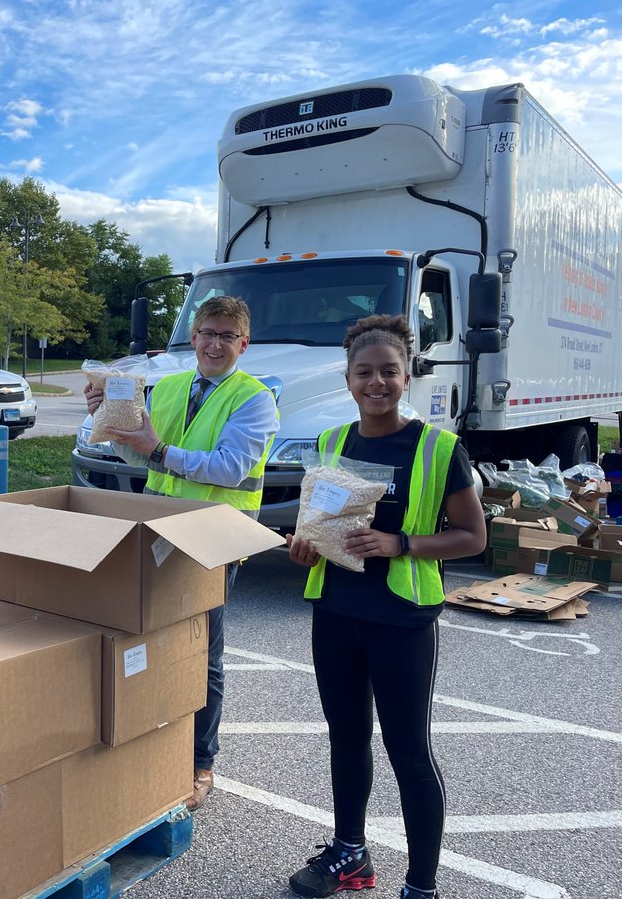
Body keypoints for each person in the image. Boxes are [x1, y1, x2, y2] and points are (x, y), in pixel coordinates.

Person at [284, 314, 486, 899]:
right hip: (336, 612)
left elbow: (473, 537)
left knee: (409, 754)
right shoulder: (331, 443)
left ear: (407, 376)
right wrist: (304, 548)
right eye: (364, 372)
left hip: (401, 620)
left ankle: (421, 887)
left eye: (389, 372)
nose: (377, 383)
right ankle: (350, 855)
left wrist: (402, 544)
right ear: (347, 378)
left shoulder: (439, 448)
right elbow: (318, 526)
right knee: (346, 740)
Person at [85, 294, 279, 811]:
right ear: (193, 338)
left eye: (227, 336)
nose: (215, 344)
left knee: (202, 653)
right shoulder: (168, 387)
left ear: (243, 344)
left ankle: (200, 762)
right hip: (159, 533)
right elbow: (138, 455)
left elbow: (229, 468)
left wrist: (158, 450)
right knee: (149, 641)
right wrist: (109, 421)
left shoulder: (254, 399)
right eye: (207, 334)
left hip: (215, 539)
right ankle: (154, 745)